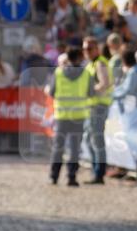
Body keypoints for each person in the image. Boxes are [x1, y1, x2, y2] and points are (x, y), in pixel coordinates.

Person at [47, 46, 92, 187]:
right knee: (74, 149)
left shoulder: (59, 73)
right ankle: (71, 177)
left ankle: (54, 177)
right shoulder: (86, 74)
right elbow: (91, 93)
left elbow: (52, 92)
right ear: (79, 57)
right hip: (78, 116)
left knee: (58, 147)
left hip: (61, 115)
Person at [82, 36, 112, 184]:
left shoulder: (100, 63)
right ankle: (96, 170)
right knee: (88, 139)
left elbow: (105, 83)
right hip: (91, 106)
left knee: (96, 140)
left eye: (89, 48)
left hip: (99, 105)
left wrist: (90, 90)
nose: (86, 51)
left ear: (96, 49)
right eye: (84, 49)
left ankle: (99, 173)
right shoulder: (90, 65)